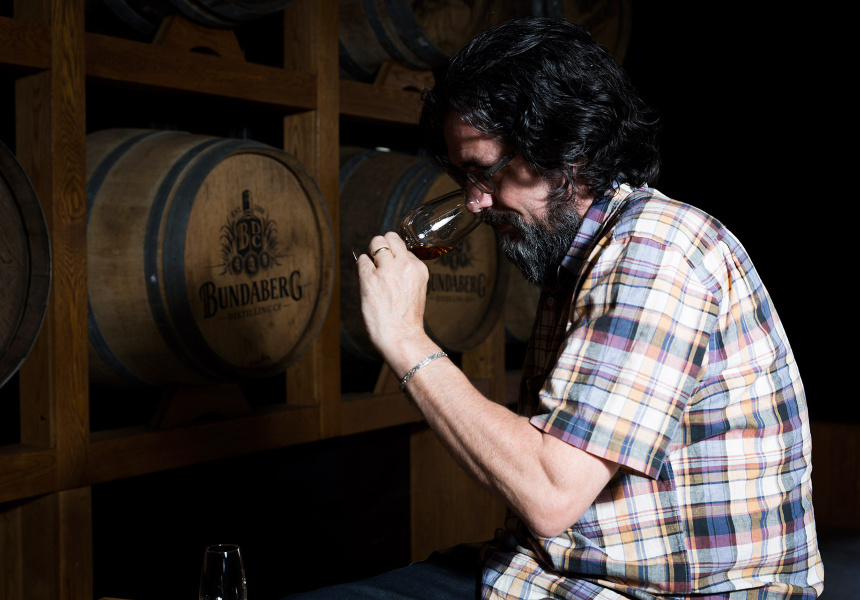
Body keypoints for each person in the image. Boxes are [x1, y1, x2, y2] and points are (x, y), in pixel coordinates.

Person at [286, 16, 824, 600]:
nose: (475, 201)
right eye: (464, 177)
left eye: (484, 172)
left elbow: (548, 493)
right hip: (560, 576)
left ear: (565, 147)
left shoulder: (655, 251)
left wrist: (405, 339)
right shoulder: (582, 255)